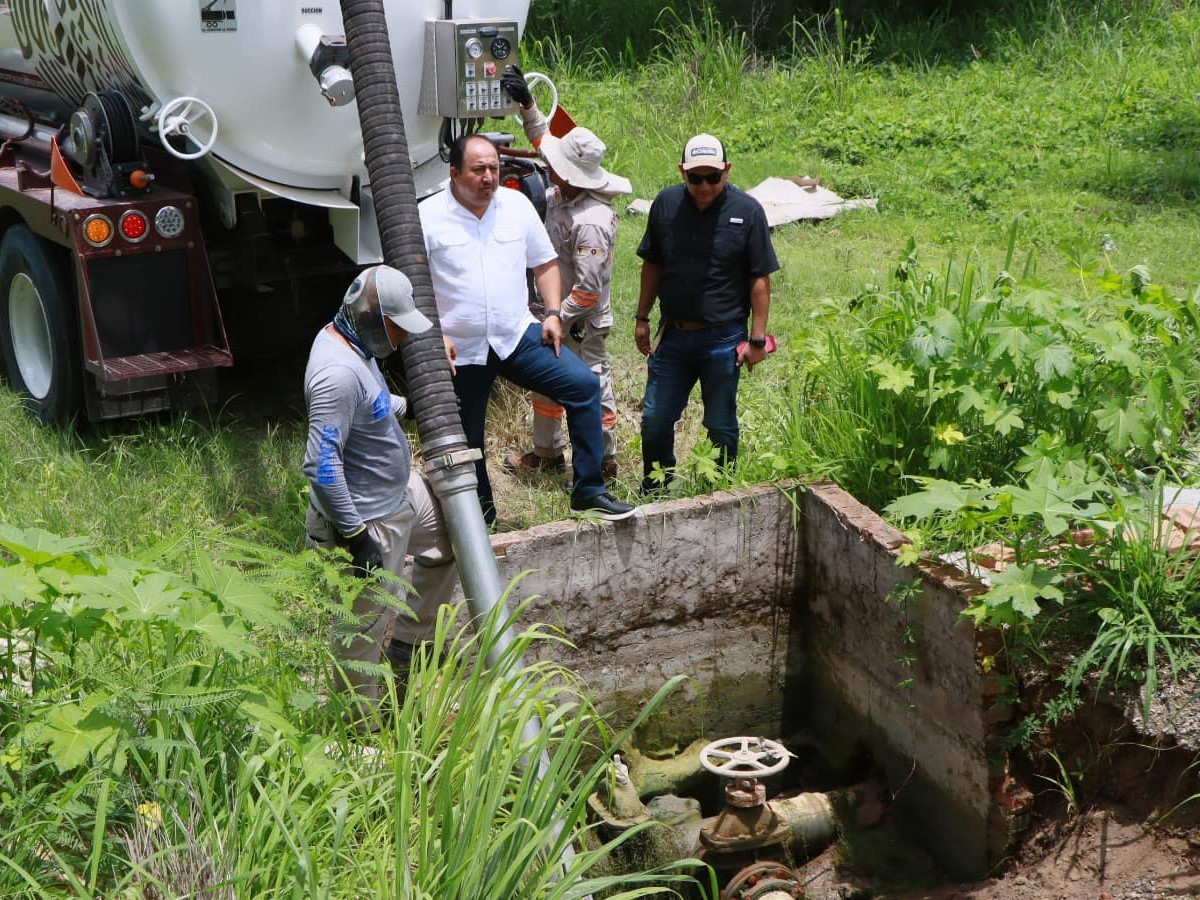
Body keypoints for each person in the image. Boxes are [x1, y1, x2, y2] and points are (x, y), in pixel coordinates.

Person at [419, 132, 634, 525]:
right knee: (469, 439)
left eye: (494, 169)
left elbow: (546, 263)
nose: (488, 177)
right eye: (478, 169)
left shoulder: (516, 206)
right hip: (461, 349)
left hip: (515, 337)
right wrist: (436, 333)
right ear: (453, 173)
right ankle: (481, 520)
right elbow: (411, 283)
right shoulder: (429, 216)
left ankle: (588, 490)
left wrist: (553, 312)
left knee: (584, 385)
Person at [302, 265, 458, 724]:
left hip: (397, 492)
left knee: (450, 541)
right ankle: (359, 732)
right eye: (397, 326)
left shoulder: (352, 341)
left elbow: (369, 403)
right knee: (361, 634)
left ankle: (409, 644)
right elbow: (321, 465)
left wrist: (408, 407)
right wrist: (355, 536)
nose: (403, 337)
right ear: (371, 317)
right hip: (368, 518)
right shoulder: (335, 373)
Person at [499, 68, 630, 480]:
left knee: (592, 385)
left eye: (556, 166)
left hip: (581, 323)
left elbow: (589, 291)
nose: (547, 165)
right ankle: (548, 453)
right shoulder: (564, 191)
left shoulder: (590, 221)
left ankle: (603, 461)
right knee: (546, 385)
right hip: (556, 313)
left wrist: (557, 319)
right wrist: (527, 104)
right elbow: (543, 141)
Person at [633, 133, 780, 495]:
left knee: (720, 423)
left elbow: (759, 279)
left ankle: (720, 491)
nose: (704, 186)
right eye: (695, 177)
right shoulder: (666, 205)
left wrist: (757, 340)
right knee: (655, 418)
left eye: (712, 177)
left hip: (723, 337)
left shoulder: (747, 211)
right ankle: (656, 490)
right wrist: (642, 317)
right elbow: (652, 264)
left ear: (727, 171)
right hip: (674, 335)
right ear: (682, 171)